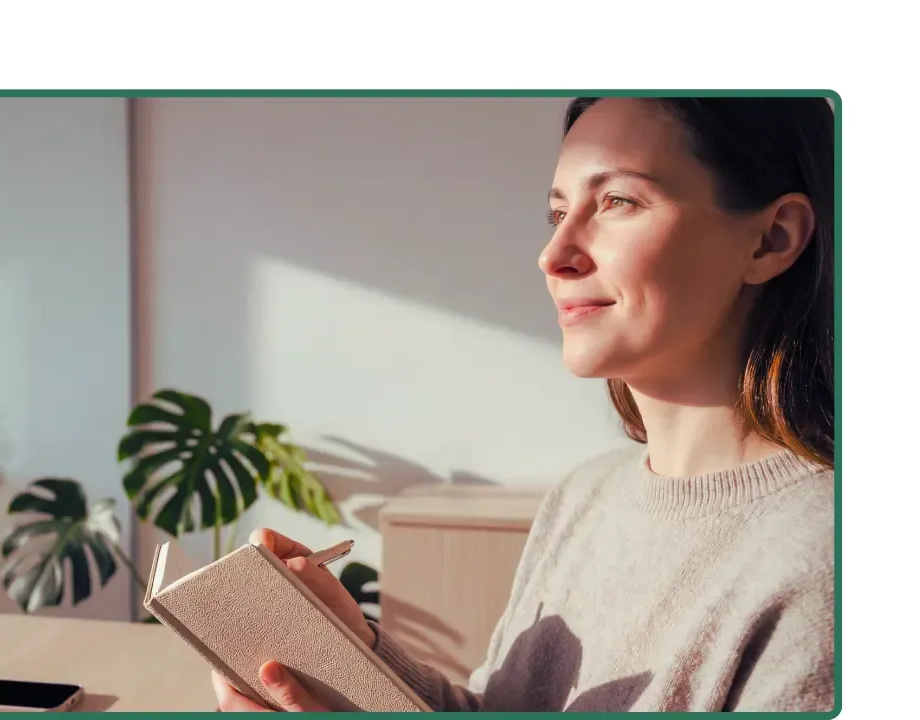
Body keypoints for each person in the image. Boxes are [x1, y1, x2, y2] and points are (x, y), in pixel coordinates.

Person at [212, 96, 836, 712]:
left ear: (771, 240)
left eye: (618, 201)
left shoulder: (824, 561)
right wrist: (356, 658)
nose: (553, 255)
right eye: (557, 213)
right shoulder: (585, 497)